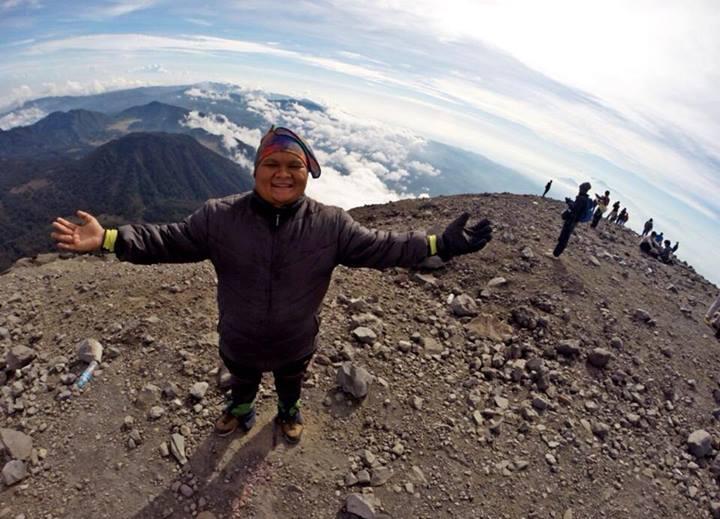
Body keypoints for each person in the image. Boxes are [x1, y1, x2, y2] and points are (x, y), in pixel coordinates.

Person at [50, 125, 493, 444]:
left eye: (293, 165)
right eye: (272, 164)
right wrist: (109, 237)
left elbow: (385, 247)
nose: (283, 173)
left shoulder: (331, 225)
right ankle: (241, 410)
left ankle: (287, 413)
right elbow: (166, 240)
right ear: (256, 169)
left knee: (290, 381)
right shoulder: (219, 217)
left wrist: (440, 244)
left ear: (307, 173)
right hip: (238, 337)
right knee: (241, 380)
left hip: (295, 340)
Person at [553, 182, 592, 257]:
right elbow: (577, 208)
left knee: (564, 237)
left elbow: (575, 210)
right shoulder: (584, 198)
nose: (579, 189)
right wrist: (571, 202)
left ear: (583, 189)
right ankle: (556, 253)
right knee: (564, 236)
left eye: (580, 188)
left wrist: (569, 203)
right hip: (574, 221)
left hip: (571, 220)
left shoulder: (581, 198)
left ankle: (555, 254)